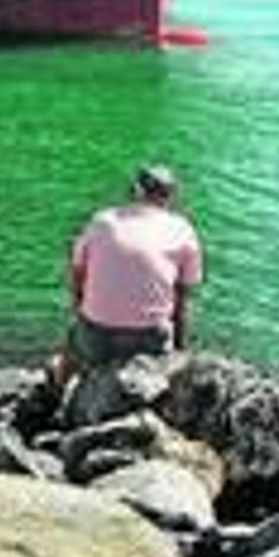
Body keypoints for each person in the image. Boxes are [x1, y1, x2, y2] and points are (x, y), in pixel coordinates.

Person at [55, 164, 204, 393]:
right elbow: (183, 298)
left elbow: (77, 271)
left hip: (96, 332)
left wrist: (81, 312)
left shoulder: (103, 221)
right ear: (171, 196)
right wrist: (179, 350)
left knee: (71, 349)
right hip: (149, 339)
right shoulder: (183, 230)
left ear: (135, 190)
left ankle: (55, 392)